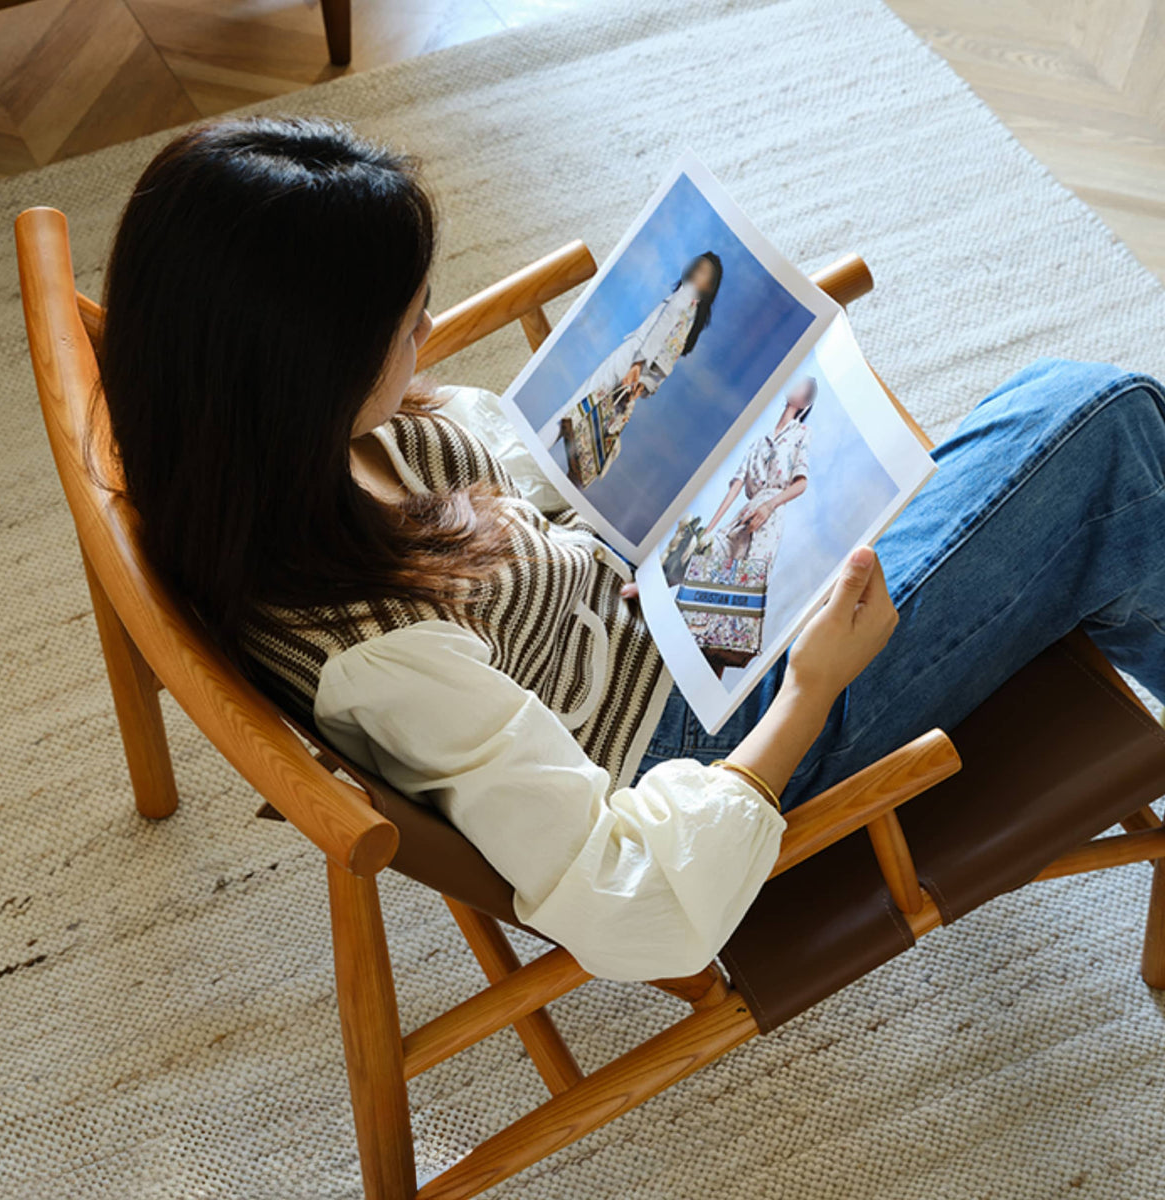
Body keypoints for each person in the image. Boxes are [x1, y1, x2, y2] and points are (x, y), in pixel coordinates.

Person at [100, 118, 1165, 984]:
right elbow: (637, 907)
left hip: (650, 597)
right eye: (407, 323)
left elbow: (507, 469)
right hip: (716, 727)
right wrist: (812, 690)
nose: (426, 333)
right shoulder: (380, 658)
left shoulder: (253, 461)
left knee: (1065, 436)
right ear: (302, 372)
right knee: (1105, 427)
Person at [678, 376, 816, 670]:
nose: (794, 384)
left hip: (770, 515)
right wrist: (712, 529)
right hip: (743, 513)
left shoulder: (801, 433)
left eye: (802, 385)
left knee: (738, 594)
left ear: (806, 402)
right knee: (708, 558)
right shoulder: (759, 440)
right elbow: (736, 484)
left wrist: (769, 506)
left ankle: (716, 666)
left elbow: (801, 484)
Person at [537, 250, 723, 457]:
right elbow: (669, 356)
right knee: (592, 430)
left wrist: (637, 364)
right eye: (696, 264)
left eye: (703, 271)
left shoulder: (685, 294)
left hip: (633, 355)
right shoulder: (692, 315)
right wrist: (646, 383)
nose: (696, 270)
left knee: (575, 407)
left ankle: (532, 453)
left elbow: (662, 326)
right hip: (639, 374)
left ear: (709, 287)